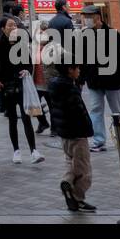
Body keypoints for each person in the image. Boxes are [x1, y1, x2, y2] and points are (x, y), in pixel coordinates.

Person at [50, 54, 96, 212]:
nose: (79, 70)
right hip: (77, 134)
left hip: (64, 134)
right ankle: (77, 195)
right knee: (84, 169)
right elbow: (79, 112)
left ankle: (68, 184)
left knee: (71, 161)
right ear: (70, 70)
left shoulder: (55, 85)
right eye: (77, 67)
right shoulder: (71, 88)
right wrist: (88, 129)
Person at [0, 15, 43, 165]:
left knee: (26, 117)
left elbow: (29, 64)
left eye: (15, 26)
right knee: (12, 120)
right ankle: (16, 151)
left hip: (21, 84)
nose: (14, 28)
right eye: (10, 25)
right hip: (7, 86)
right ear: (3, 29)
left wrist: (27, 71)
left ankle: (34, 151)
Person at [81, 5, 120, 152]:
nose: (87, 20)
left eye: (89, 17)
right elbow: (81, 58)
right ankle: (99, 140)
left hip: (112, 79)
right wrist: (82, 77)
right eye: (85, 17)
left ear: (97, 17)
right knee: (95, 109)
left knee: (117, 109)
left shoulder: (113, 34)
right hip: (94, 80)